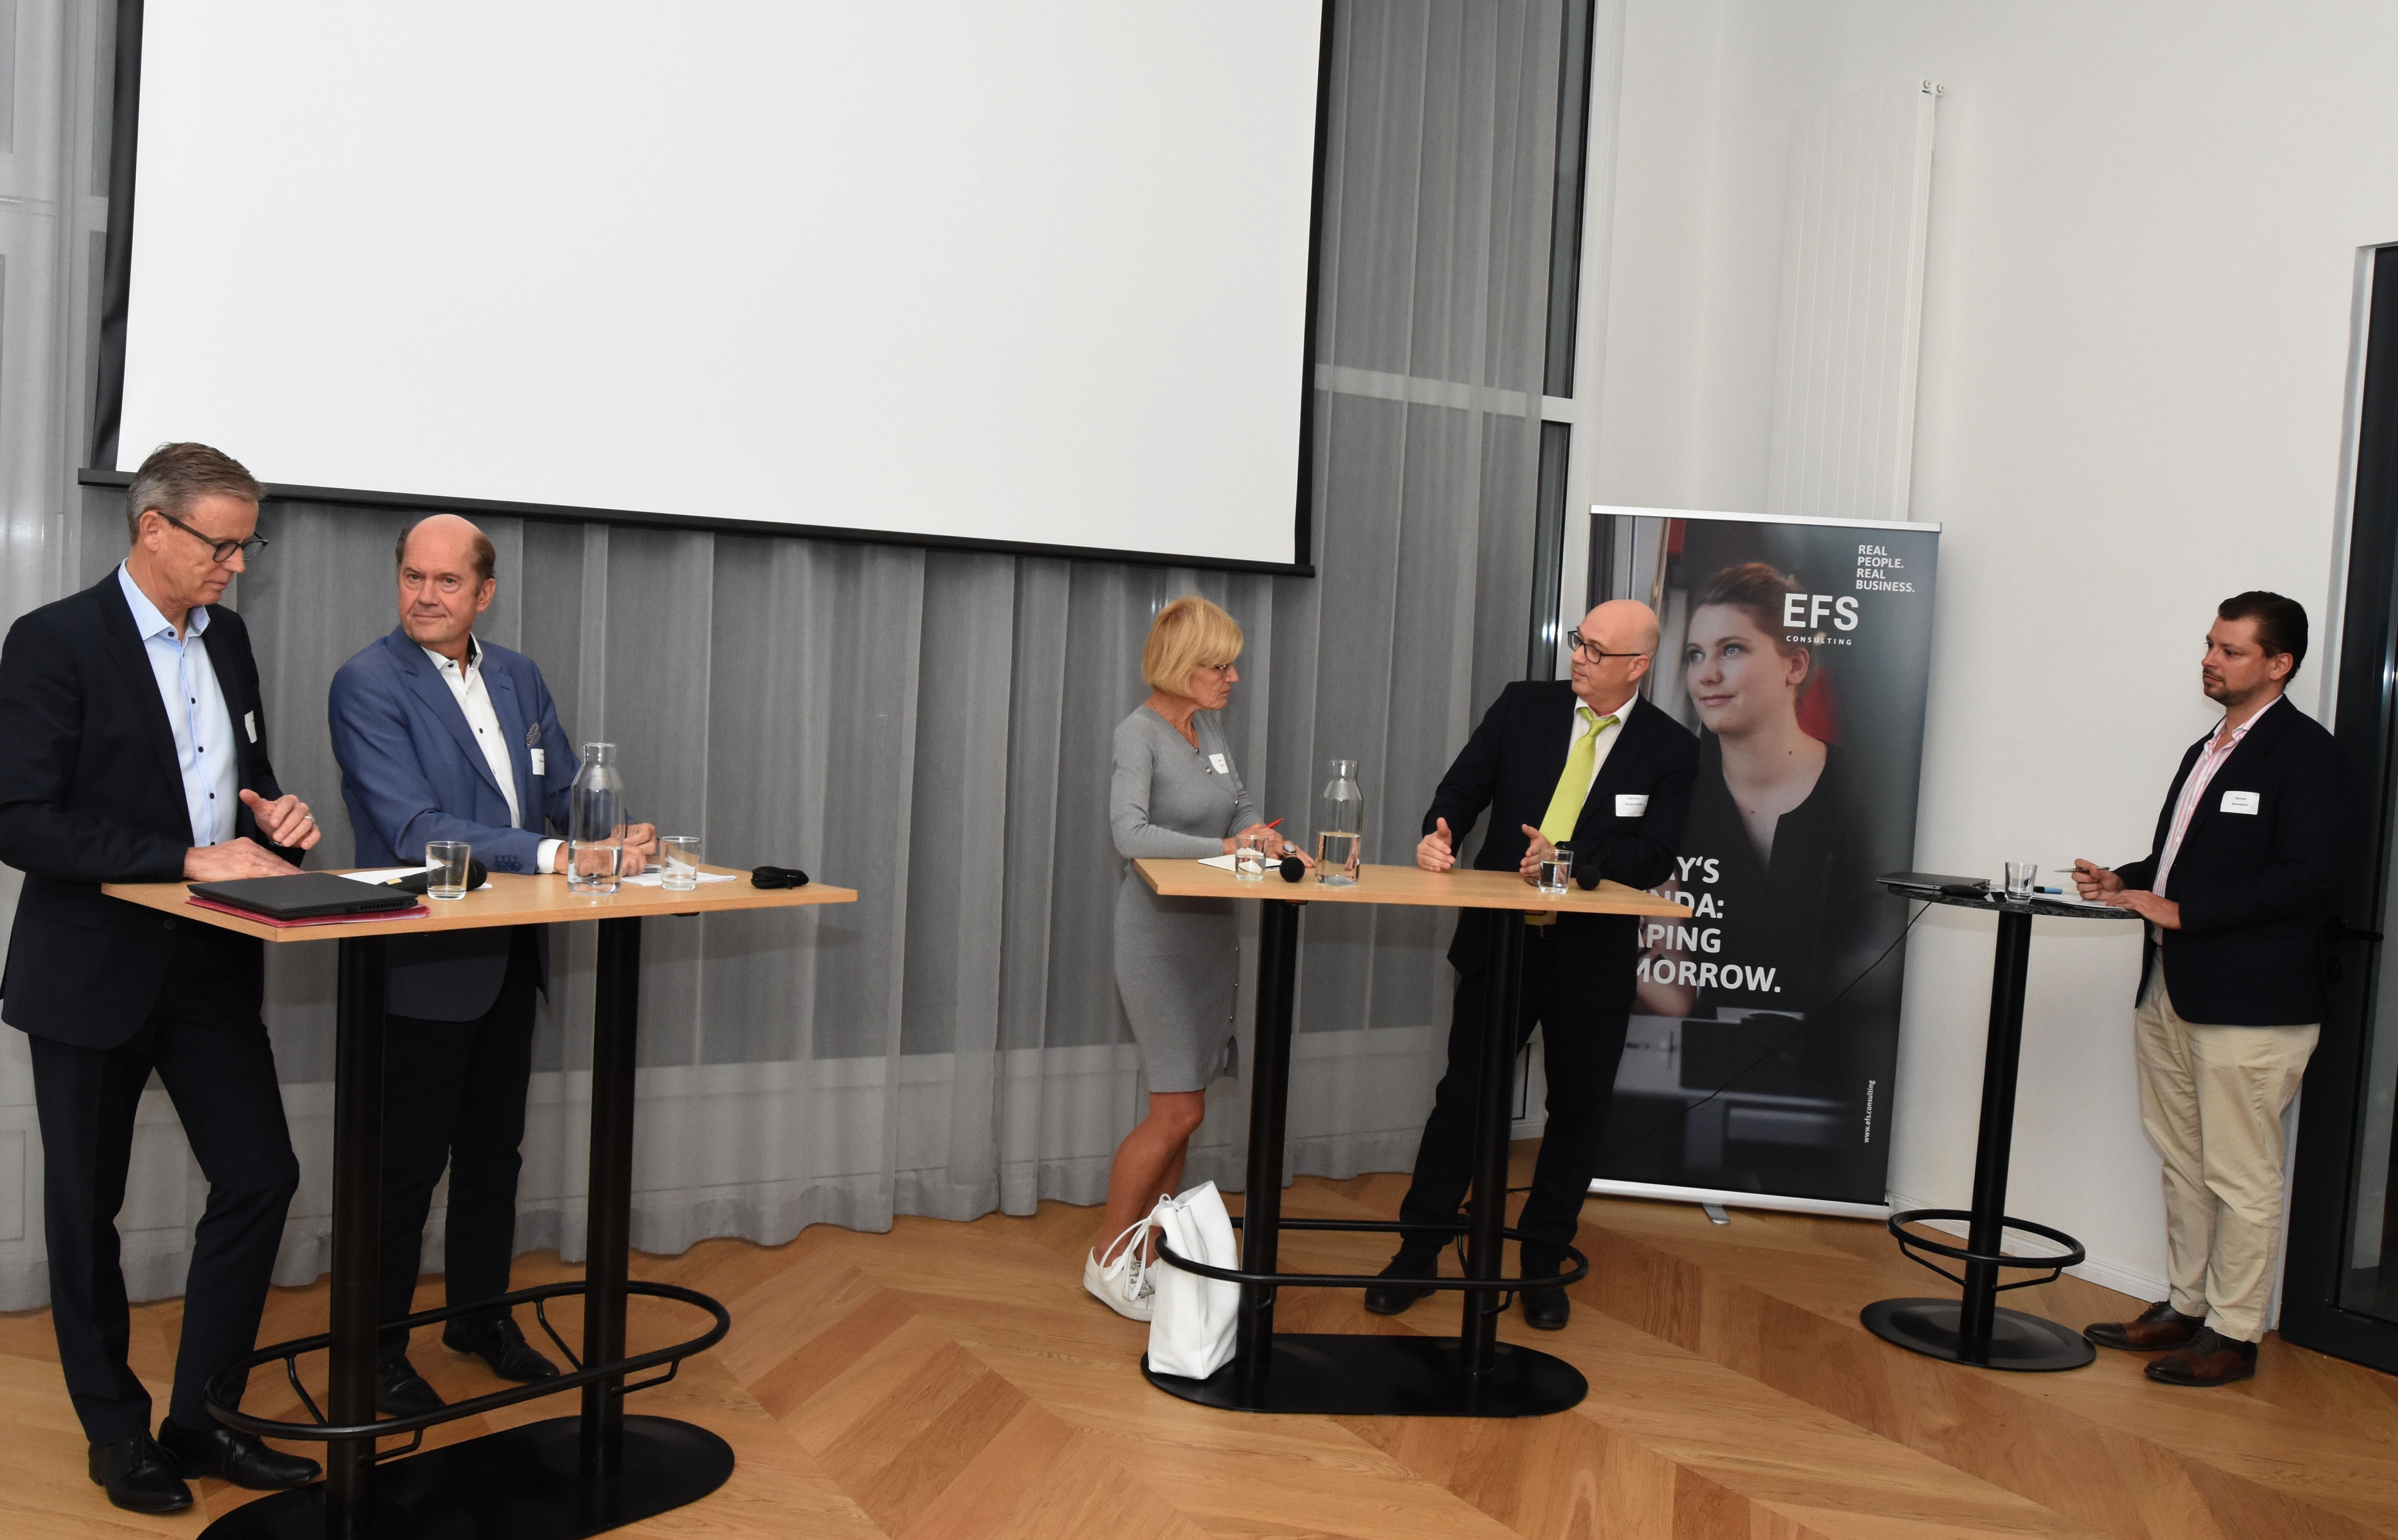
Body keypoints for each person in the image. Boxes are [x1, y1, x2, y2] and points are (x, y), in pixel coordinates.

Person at [0, 443, 323, 1513]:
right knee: (86, 1213)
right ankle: (117, 1434)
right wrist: (184, 857)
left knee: (261, 1176)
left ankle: (205, 1418)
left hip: (213, 964)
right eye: (222, 545)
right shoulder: (53, 641)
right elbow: (21, 819)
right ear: (153, 529)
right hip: (91, 969)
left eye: (246, 544)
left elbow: (240, 780)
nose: (238, 566)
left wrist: (273, 814)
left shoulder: (227, 638)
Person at [327, 514, 656, 1415]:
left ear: (485, 593)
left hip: (513, 954)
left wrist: (615, 834)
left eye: (447, 582)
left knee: (491, 1156)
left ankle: (477, 1319)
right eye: (413, 577)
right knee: (402, 1172)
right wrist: (560, 855)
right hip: (420, 964)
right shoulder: (368, 682)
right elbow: (415, 828)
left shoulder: (518, 676)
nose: (425, 596)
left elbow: (558, 794)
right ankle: (376, 1352)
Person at [1367, 598, 1698, 1329]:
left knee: (1575, 1115)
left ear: (1638, 666)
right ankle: (1418, 1252)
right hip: (1501, 944)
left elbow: (1654, 855)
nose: (1578, 655)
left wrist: (1568, 858)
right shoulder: (1524, 707)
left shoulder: (1671, 748)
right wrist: (1440, 832)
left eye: (1597, 650)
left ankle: (1542, 1266)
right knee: (1464, 1101)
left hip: (1591, 959)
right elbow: (1462, 789)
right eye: (1580, 640)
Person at [2072, 592, 2353, 1387]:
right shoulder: (2210, 748)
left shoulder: (2308, 756)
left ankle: (2233, 1336)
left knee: (2241, 1174)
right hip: (2171, 988)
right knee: (2183, 1161)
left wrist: (2184, 911)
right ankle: (2185, 1308)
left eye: (2230, 650)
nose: (2210, 660)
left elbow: (2310, 878)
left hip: (2252, 1004)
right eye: (2209, 644)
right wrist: (2126, 881)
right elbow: (2185, 860)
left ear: (2279, 664)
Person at [1092, 596, 1293, 1320]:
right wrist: (1227, 848)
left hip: (1210, 936)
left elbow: (1238, 806)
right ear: (1182, 667)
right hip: (1157, 939)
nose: (1233, 677)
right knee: (1175, 1110)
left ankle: (1154, 1255)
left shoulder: (1206, 728)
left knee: (1188, 1108)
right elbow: (1130, 835)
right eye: (1219, 666)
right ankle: (1106, 1260)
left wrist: (1261, 835)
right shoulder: (1138, 734)